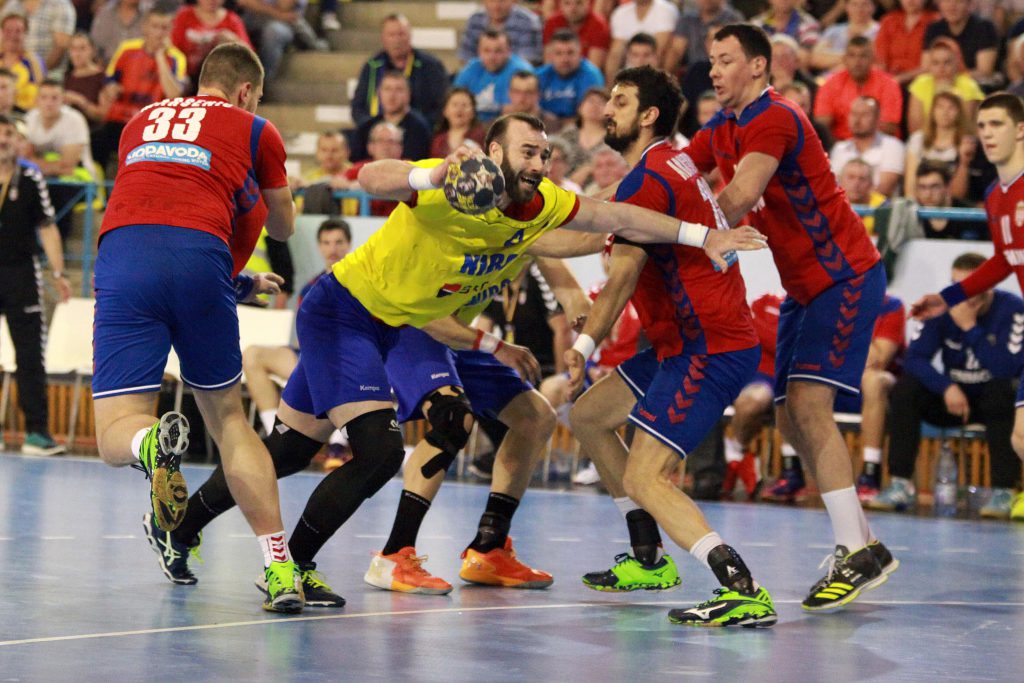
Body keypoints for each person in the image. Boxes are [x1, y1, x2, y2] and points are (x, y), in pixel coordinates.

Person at [146, 111, 767, 603]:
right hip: (345, 312)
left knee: (284, 452)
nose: (541, 161)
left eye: (546, 152)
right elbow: (369, 178)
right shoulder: (450, 188)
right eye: (529, 150)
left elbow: (616, 215)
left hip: (400, 325)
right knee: (383, 449)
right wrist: (431, 172)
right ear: (493, 154)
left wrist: (701, 234)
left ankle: (179, 528)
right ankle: (307, 565)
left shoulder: (542, 205)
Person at [687, 23, 899, 611]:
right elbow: (681, 171)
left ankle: (854, 551)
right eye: (710, 60)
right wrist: (629, 207)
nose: (713, 70)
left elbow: (734, 197)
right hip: (803, 290)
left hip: (845, 276)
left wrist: (673, 237)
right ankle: (866, 543)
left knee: (809, 405)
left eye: (725, 59)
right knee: (788, 414)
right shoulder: (722, 124)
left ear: (758, 66)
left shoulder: (775, 117)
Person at [93, 43, 304, 613]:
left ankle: (149, 444)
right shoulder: (255, 128)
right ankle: (280, 569)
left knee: (114, 427)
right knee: (232, 422)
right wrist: (273, 185)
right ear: (244, 92)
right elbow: (281, 228)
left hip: (124, 251)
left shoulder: (139, 122)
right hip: (199, 257)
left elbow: (158, 202)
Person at [567, 66, 776, 627]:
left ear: (648, 114)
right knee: (589, 416)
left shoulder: (650, 179)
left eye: (619, 101)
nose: (606, 110)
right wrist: (514, 231)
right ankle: (648, 558)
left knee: (644, 477)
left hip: (706, 347)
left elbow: (623, 274)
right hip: (678, 344)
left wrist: (584, 344)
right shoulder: (665, 164)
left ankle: (741, 586)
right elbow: (584, 230)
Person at [911, 92, 1024, 522]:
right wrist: (947, 298)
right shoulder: (996, 196)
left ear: (1020, 129)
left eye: (996, 124)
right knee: (1020, 438)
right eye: (982, 126)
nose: (987, 134)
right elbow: (1002, 260)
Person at [876, 253, 1023, 516]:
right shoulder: (943, 306)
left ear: (987, 284)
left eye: (970, 286)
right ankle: (900, 483)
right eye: (956, 285)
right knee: (905, 389)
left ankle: (1004, 491)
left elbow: (1007, 368)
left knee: (1002, 390)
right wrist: (946, 387)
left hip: (993, 401)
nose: (963, 295)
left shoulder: (1012, 308)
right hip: (953, 400)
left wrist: (969, 327)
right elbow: (915, 359)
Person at [0, 114, 71, 456]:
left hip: (20, 275)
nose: (3, 140)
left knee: (29, 354)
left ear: (18, 140)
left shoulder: (29, 177)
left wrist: (58, 273)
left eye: (8, 134)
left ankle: (37, 433)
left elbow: (47, 227)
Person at [244, 219, 351, 437]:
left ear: (348, 245)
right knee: (252, 355)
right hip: (310, 358)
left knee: (334, 365)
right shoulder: (309, 288)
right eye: (327, 242)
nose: (333, 249)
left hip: (345, 360)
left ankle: (339, 443)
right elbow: (305, 337)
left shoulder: (363, 281)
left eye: (339, 242)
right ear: (320, 246)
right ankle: (277, 433)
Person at [91, 6, 187, 173]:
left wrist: (160, 56)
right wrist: (111, 88)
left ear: (171, 30)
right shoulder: (127, 49)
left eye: (164, 28)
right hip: (120, 119)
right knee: (95, 142)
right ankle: (99, 192)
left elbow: (174, 94)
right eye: (155, 26)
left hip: (153, 125)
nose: (159, 32)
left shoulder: (176, 57)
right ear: (144, 28)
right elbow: (109, 80)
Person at [22, 79, 96, 238]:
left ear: (63, 100)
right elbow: (22, 158)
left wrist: (35, 161)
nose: (49, 103)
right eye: (44, 97)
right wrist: (52, 166)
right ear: (37, 100)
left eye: (54, 98)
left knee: (57, 192)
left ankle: (59, 246)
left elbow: (69, 165)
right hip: (44, 177)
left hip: (80, 180)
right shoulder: (30, 119)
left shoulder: (75, 120)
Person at [351, 14, 448, 128]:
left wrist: (419, 127)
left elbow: (442, 106)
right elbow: (358, 108)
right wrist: (374, 129)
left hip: (418, 133)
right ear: (383, 38)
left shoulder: (431, 66)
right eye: (391, 35)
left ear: (410, 36)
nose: (397, 40)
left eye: (401, 34)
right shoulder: (372, 66)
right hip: (378, 134)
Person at [813, 36, 903, 142]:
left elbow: (889, 127)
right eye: (852, 56)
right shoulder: (829, 84)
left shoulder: (889, 84)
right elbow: (822, 125)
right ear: (845, 59)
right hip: (840, 145)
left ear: (872, 59)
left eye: (863, 56)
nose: (857, 61)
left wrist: (861, 144)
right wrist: (841, 148)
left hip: (880, 145)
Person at [828, 96, 906, 197]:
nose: (857, 119)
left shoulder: (893, 146)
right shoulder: (839, 148)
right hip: (844, 208)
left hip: (878, 209)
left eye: (864, 114)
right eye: (854, 114)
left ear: (878, 119)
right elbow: (833, 185)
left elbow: (885, 188)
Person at [904, 91, 973, 200]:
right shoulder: (918, 139)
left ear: (959, 112)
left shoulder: (966, 143)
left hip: (953, 204)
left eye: (951, 108)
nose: (945, 112)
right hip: (921, 204)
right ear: (932, 111)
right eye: (940, 107)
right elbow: (910, 182)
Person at [906, 37, 984, 135]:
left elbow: (965, 126)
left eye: (947, 62)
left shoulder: (968, 85)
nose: (941, 68)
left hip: (960, 142)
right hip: (926, 142)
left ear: (956, 63)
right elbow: (915, 128)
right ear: (929, 65)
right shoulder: (920, 84)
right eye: (936, 63)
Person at [349, 70, 431, 162]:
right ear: (379, 93)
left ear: (408, 95)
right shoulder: (365, 127)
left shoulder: (419, 129)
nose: (392, 95)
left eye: (399, 90)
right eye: (387, 89)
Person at [454, 29, 534, 123]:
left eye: (498, 51)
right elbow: (454, 101)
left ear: (509, 51)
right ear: (479, 51)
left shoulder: (521, 71)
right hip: (474, 126)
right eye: (486, 51)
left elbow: (518, 111)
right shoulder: (471, 68)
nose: (492, 57)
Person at [170, 0, 251, 87]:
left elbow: (250, 55)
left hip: (221, 77)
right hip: (185, 75)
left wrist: (234, 40)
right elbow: (171, 48)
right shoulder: (184, 16)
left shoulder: (232, 20)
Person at [922, 0, 999, 87]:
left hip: (974, 85)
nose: (952, 6)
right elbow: (926, 67)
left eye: (959, 1)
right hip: (939, 84)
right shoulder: (933, 29)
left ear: (970, 4)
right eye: (946, 1)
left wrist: (952, 79)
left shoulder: (984, 27)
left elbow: (984, 71)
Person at [536, 29, 604, 125]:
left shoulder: (591, 75)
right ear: (550, 55)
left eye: (570, 53)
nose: (565, 59)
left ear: (580, 53)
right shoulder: (539, 75)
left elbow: (590, 117)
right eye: (559, 53)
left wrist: (558, 123)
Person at [604, 0, 679, 82]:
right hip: (628, 76)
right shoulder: (620, 13)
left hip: (653, 76)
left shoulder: (666, 10)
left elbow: (659, 53)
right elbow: (615, 55)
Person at [662, 0, 742, 74]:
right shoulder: (687, 20)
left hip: (721, 73)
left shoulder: (733, 20)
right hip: (692, 74)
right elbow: (676, 51)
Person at [913, 162, 985, 240]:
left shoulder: (970, 216)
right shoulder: (911, 217)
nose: (928, 194)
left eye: (934, 187)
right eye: (922, 187)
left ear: (947, 187)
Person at [875, 0, 939, 86]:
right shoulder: (888, 21)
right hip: (889, 80)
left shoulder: (935, 22)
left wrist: (899, 79)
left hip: (922, 81)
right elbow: (880, 59)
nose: (910, 1)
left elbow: (930, 66)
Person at [458, 0, 542, 65]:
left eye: (502, 0)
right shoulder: (475, 20)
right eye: (492, 0)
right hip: (480, 75)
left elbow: (527, 62)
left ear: (513, 1)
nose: (496, 6)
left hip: (515, 78)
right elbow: (466, 58)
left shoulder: (527, 21)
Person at [3, 0, 76, 74]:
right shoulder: (12, 5)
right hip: (10, 74)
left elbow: (61, 46)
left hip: (50, 76)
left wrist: (39, 72)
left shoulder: (59, 4)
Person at [809, 0, 877, 73]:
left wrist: (834, 61)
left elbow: (876, 62)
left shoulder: (880, 32)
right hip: (829, 81)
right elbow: (815, 58)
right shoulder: (833, 31)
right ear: (846, 6)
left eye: (865, 4)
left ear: (873, 7)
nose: (859, 9)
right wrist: (852, 58)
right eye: (854, 4)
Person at [542, 0, 610, 71]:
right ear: (560, 5)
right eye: (567, 3)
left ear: (588, 3)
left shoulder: (599, 24)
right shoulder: (552, 22)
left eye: (579, 3)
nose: (573, 8)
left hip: (585, 76)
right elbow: (548, 62)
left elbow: (594, 67)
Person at [0, 13, 46, 111]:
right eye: (8, 30)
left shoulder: (34, 62)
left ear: (26, 34)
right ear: (1, 32)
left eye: (18, 31)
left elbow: (43, 91)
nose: (12, 35)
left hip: (25, 114)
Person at [62, 32, 106, 126]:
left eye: (82, 48)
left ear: (92, 51)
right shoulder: (66, 77)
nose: (77, 54)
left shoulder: (102, 77)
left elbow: (102, 115)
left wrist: (80, 101)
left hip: (91, 129)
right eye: (73, 49)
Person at [837, 158, 886, 235]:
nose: (856, 183)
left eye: (862, 179)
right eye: (851, 177)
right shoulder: (830, 204)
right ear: (840, 180)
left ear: (871, 183)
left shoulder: (883, 207)